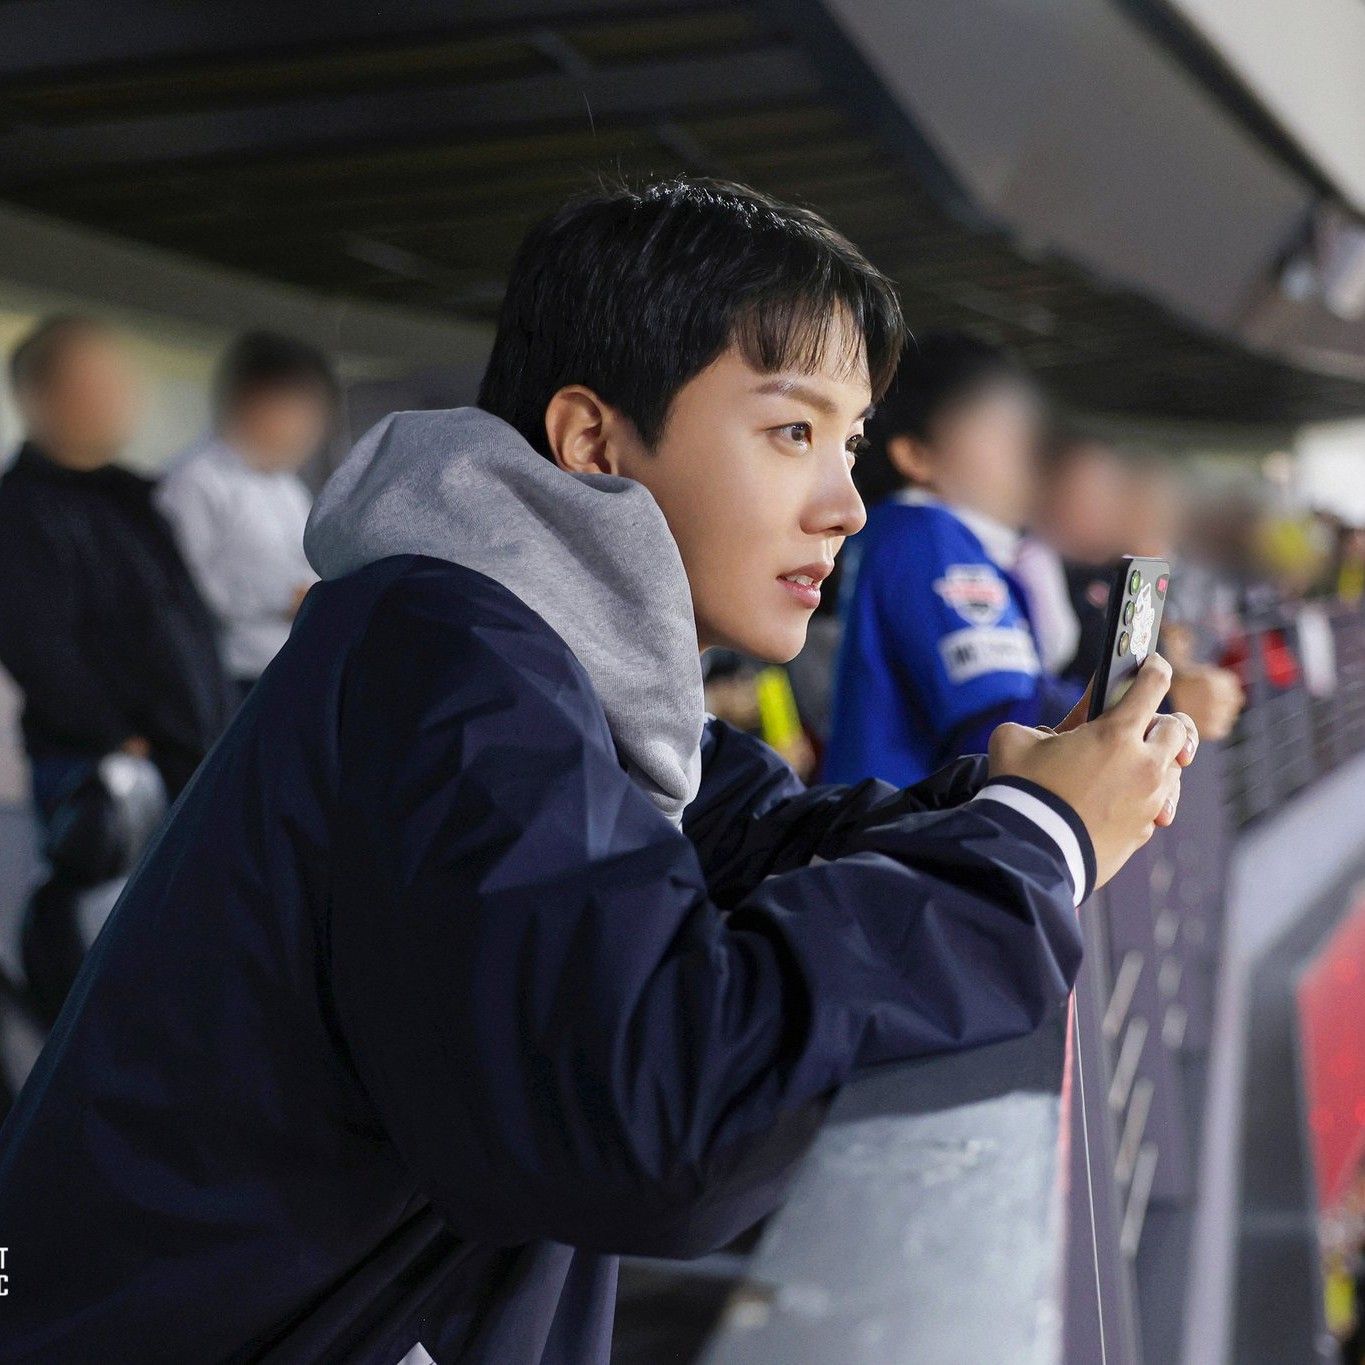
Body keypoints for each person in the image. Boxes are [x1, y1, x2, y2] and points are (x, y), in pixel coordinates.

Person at [0, 180, 1196, 1365]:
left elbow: (763, 843)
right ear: (591, 441)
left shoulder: (536, 660)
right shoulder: (456, 669)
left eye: (851, 443)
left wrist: (1017, 797)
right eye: (792, 431)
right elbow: (650, 1123)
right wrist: (1039, 843)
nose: (846, 506)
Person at [824, 332, 1084, 788]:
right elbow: (1004, 728)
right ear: (917, 455)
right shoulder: (926, 534)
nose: (1027, 454)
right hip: (906, 841)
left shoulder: (913, 536)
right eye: (1000, 430)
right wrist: (1144, 708)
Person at [0, 316, 235, 820]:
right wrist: (117, 739)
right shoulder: (21, 509)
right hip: (107, 773)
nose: (114, 398)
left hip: (189, 757)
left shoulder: (135, 496)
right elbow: (36, 646)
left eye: (118, 382)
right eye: (92, 384)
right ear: (35, 397)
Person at [157, 331, 335, 700]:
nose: (307, 435)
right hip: (232, 677)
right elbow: (176, 590)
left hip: (289, 664)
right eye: (297, 415)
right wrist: (280, 600)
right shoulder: (195, 481)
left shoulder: (287, 486)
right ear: (251, 404)